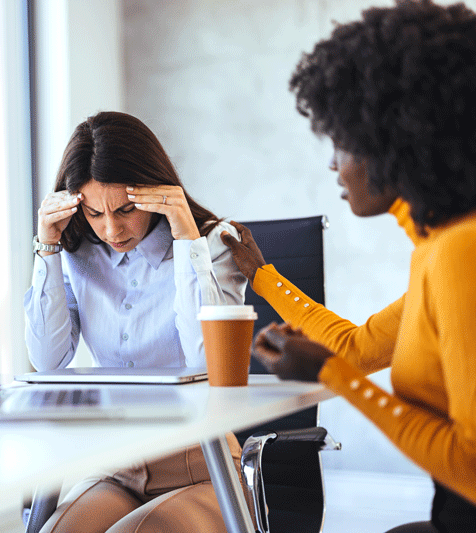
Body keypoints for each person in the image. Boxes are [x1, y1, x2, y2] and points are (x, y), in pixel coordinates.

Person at [220, 2, 476, 531]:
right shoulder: (442, 246)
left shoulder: (459, 252)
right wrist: (263, 277)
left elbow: (471, 466)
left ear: (394, 140)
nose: (333, 162)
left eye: (341, 140)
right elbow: (359, 348)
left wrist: (334, 378)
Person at [25, 111, 248, 533]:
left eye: (126, 210)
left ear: (155, 192)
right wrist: (47, 247)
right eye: (93, 213)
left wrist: (187, 239)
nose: (111, 229)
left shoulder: (215, 245)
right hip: (116, 466)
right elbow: (48, 361)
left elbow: (207, 361)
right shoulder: (79, 255)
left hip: (201, 465)